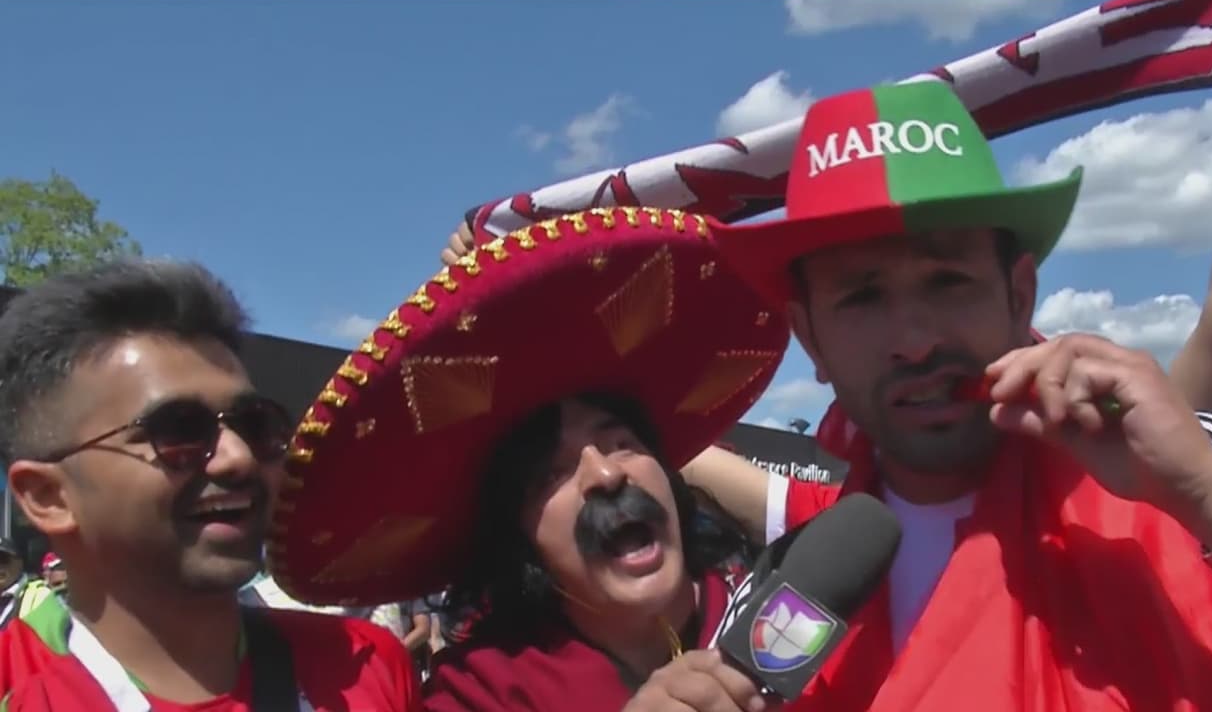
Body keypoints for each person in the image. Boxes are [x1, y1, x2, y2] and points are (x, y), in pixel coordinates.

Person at [701, 74, 1212, 710]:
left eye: (948, 280)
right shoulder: (783, 597)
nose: (915, 341)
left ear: (1019, 296)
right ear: (811, 338)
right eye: (862, 297)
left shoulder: (1209, 470)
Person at [267, 207, 791, 710]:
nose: (605, 474)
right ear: (518, 534)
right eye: (551, 474)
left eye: (621, 443)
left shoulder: (786, 612)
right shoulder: (480, 694)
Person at [0, 259, 421, 710]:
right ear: (48, 497)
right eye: (179, 430)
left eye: (254, 424)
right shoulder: (18, 689)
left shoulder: (367, 667)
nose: (238, 457)